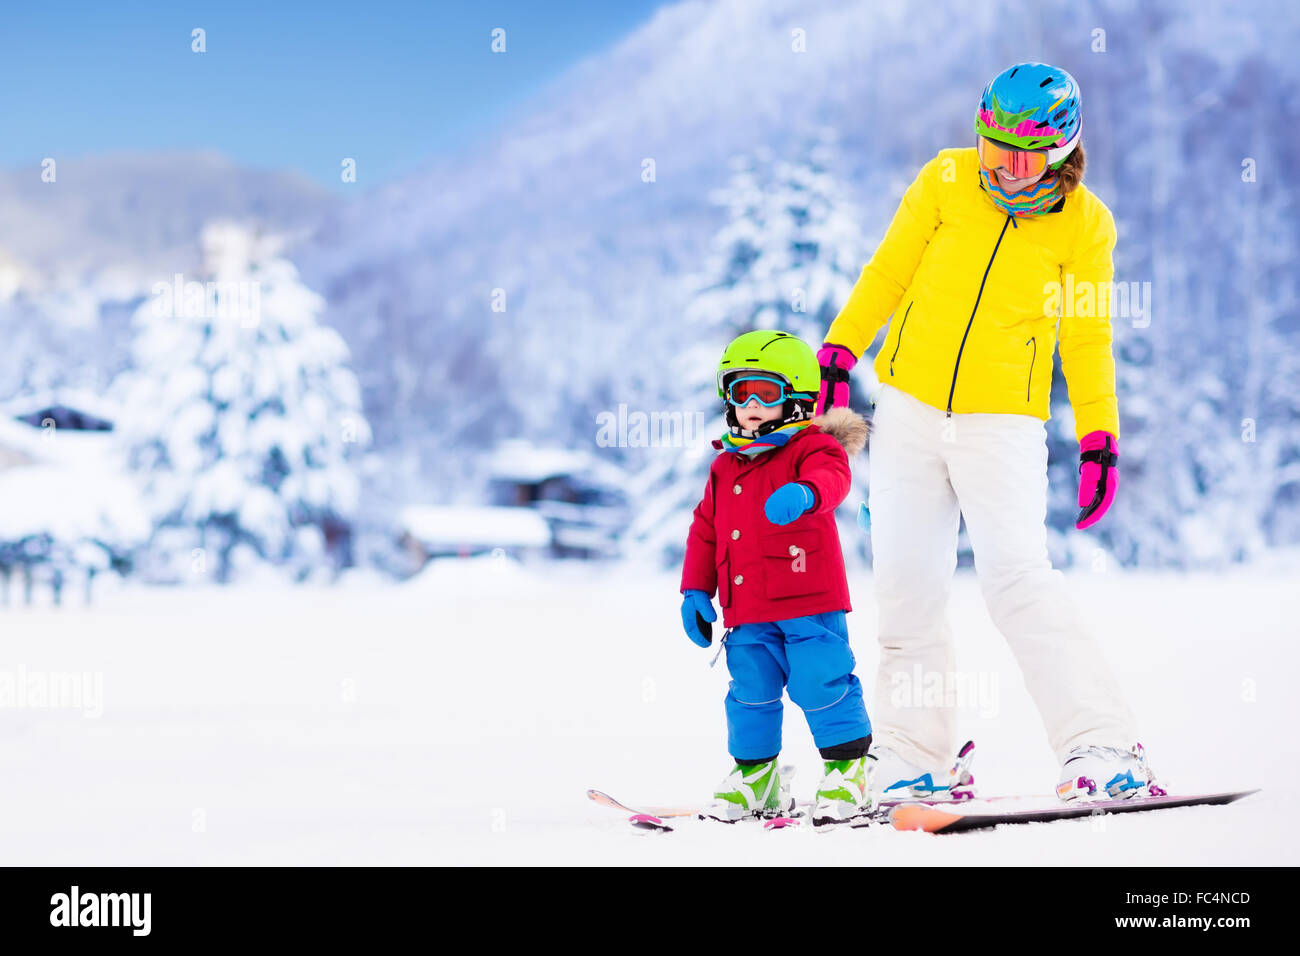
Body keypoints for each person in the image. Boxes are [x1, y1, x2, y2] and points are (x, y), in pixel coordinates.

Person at [815, 63, 1161, 803]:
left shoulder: (1086, 224)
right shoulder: (944, 181)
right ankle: (916, 757)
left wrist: (1100, 437)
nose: (1008, 164)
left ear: (1065, 149)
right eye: (995, 145)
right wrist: (841, 349)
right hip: (907, 411)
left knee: (1018, 583)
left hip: (1003, 423)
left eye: (1028, 152)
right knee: (907, 592)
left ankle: (1103, 746)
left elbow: (1088, 339)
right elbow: (889, 273)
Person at [680, 330, 874, 825]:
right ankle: (757, 778)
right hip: (746, 610)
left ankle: (848, 772)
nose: (749, 404)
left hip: (808, 598)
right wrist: (696, 590)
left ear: (797, 397)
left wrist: (808, 493)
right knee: (749, 691)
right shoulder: (725, 466)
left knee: (822, 681)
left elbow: (835, 477)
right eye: (738, 391)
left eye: (764, 392)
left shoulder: (811, 448)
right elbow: (706, 529)